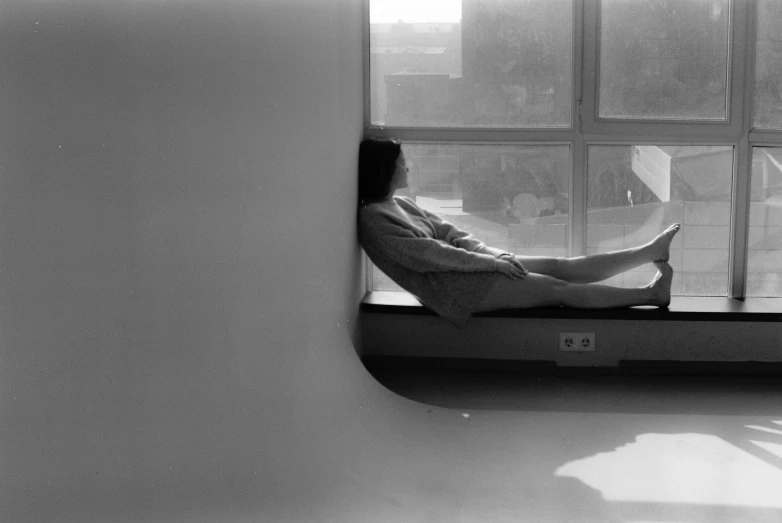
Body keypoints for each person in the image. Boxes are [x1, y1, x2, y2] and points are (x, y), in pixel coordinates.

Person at [357, 137, 678, 327]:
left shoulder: (397, 203)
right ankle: (650, 295)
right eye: (402, 163)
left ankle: (650, 252)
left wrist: (491, 255)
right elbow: (432, 256)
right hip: (454, 289)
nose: (408, 167)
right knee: (556, 288)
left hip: (470, 269)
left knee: (557, 265)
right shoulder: (374, 219)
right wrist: (492, 264)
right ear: (384, 170)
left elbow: (448, 231)